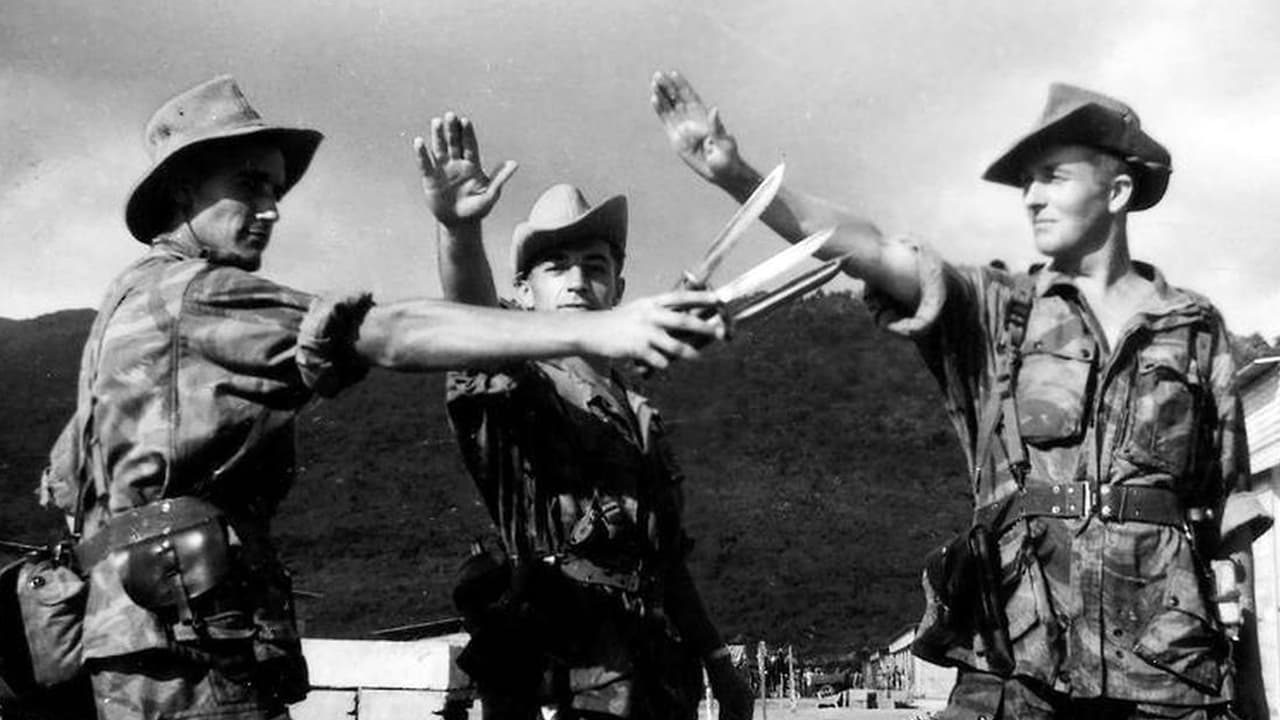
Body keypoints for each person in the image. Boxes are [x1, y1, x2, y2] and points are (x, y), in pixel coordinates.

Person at [32, 75, 726, 720]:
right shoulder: (199, 295)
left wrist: (718, 659)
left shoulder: (131, 302)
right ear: (183, 191)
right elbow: (390, 333)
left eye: (275, 190)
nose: (271, 210)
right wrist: (590, 322)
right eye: (248, 185)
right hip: (186, 642)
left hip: (154, 633)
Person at [650, 73, 1273, 719]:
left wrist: (1250, 689)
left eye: (1053, 177)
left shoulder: (1192, 327)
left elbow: (1228, 522)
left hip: (1166, 672)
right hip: (1020, 664)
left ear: (1117, 190)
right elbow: (871, 249)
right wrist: (738, 176)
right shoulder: (998, 310)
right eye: (1026, 182)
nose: (1031, 198)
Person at [418, 111, 754, 720]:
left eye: (594, 266)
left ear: (618, 288)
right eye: (555, 267)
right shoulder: (518, 386)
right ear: (524, 293)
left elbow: (666, 563)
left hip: (654, 683)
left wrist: (719, 662)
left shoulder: (638, 413)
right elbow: (472, 328)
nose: (577, 281)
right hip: (559, 680)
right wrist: (459, 232)